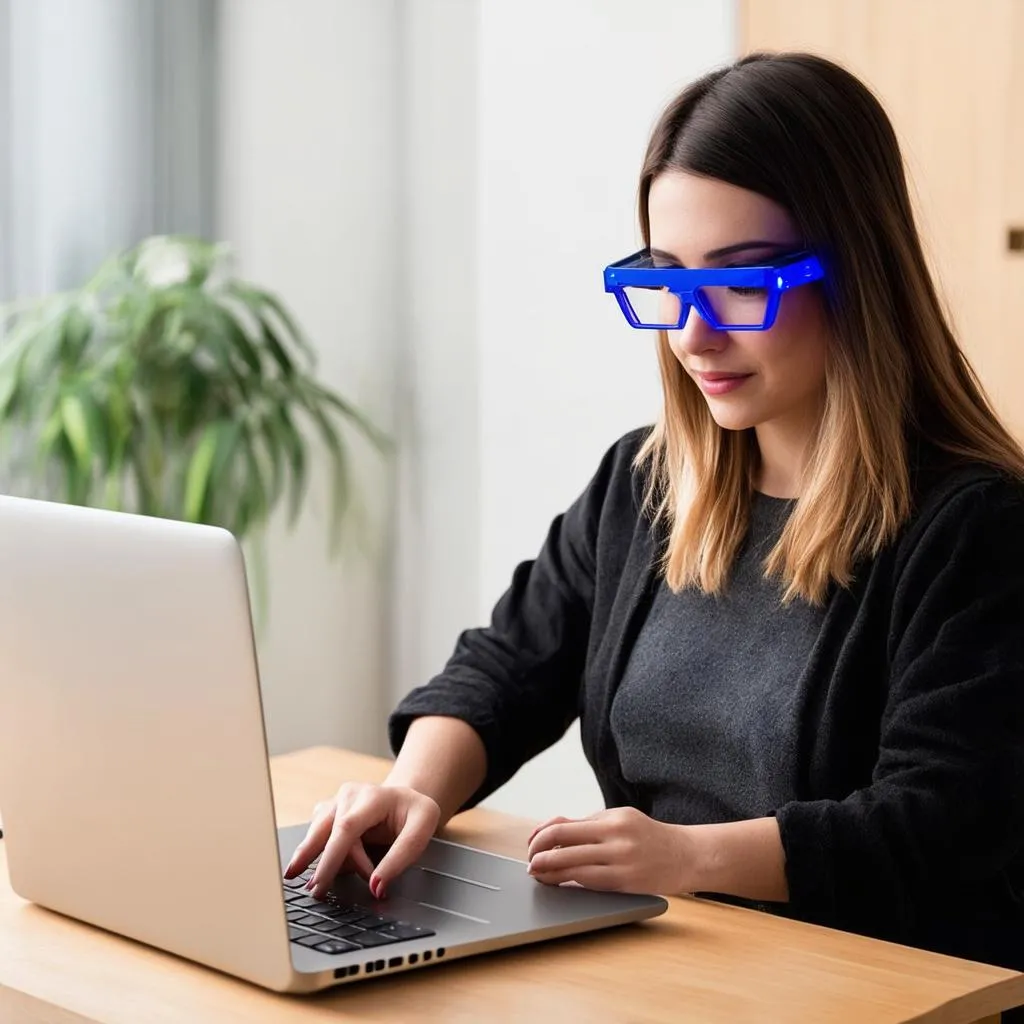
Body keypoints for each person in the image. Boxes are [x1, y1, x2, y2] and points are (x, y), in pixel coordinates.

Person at [285, 51, 1024, 974]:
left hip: (870, 988)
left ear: (858, 275)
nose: (692, 334)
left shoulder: (974, 528)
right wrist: (411, 790)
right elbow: (507, 667)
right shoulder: (646, 483)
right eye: (668, 280)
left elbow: (941, 822)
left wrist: (687, 858)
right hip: (679, 963)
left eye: (743, 282)